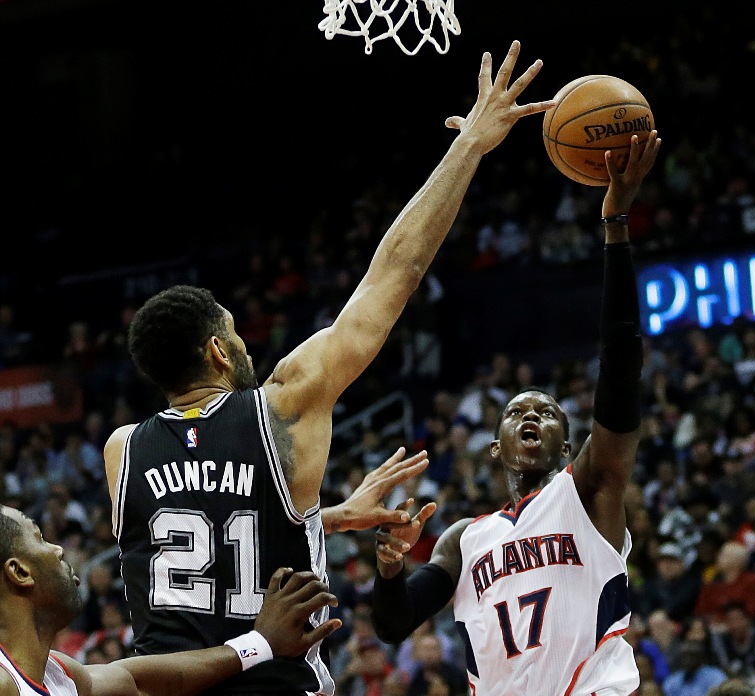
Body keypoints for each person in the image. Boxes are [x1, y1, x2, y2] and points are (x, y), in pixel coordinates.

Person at [100, 41, 556, 696]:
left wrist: (329, 517)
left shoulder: (123, 451)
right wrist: (471, 148)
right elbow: (393, 277)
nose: (245, 342)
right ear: (218, 352)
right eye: (234, 330)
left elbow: (213, 519)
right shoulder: (283, 405)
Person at [368, 133, 662, 694]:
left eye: (549, 414)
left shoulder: (589, 491)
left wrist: (616, 224)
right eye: (518, 411)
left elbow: (621, 363)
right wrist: (388, 573)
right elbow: (393, 622)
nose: (532, 416)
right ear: (496, 445)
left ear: (568, 441)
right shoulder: (463, 539)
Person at [0, 505, 338, 696]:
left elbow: (139, 681)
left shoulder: (59, 674)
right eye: (39, 538)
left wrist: (260, 643)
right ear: (19, 571)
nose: (58, 549)